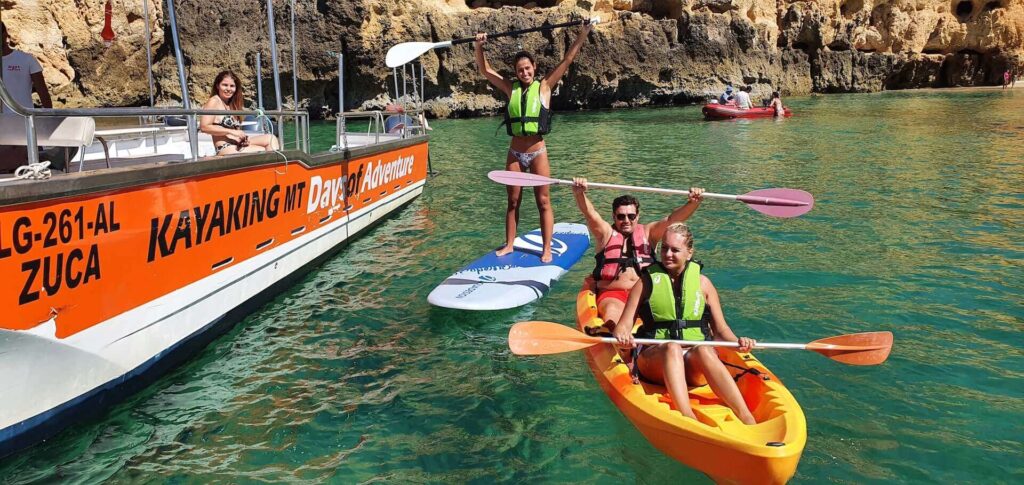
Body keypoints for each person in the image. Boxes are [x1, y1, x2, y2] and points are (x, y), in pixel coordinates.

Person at [612, 222, 758, 425]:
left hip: (691, 363)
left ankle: (746, 416)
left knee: (705, 350)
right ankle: (687, 416)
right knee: (671, 347)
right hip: (654, 360)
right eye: (664, 248)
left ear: (689, 253)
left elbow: (721, 330)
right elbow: (623, 325)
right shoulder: (645, 282)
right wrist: (622, 336)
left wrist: (738, 342)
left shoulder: (704, 284)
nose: (667, 254)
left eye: (675, 250)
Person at [474, 23, 593, 263]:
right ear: (516, 72)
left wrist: (583, 34)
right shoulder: (510, 88)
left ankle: (546, 248)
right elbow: (485, 70)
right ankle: (509, 244)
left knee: (543, 201)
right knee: (513, 201)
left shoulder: (545, 86)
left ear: (534, 68)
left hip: (537, 152)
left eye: (527, 68)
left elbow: (567, 60)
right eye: (520, 70)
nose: (524, 73)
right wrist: (479, 46)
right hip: (515, 153)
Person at [572, 178, 704, 335]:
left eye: (631, 216)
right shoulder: (605, 234)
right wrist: (579, 193)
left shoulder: (649, 233)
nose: (626, 221)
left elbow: (672, 220)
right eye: (621, 217)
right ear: (614, 217)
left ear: (638, 216)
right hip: (613, 295)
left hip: (646, 295)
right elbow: (590, 213)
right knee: (612, 310)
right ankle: (613, 330)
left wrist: (693, 203)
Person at [1, 21, 53, 172]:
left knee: (29, 163)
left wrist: (49, 120)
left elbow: (43, 92)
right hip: (2, 124)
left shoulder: (26, 60)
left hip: (24, 123)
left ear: (5, 35)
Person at [200, 70, 280, 155]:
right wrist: (232, 132)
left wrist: (241, 139)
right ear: (217, 86)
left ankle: (276, 167)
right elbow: (204, 127)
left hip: (237, 144)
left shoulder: (231, 105)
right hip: (225, 147)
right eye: (225, 85)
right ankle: (274, 167)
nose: (228, 89)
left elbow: (236, 130)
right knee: (264, 150)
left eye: (232, 86)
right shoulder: (214, 101)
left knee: (270, 138)